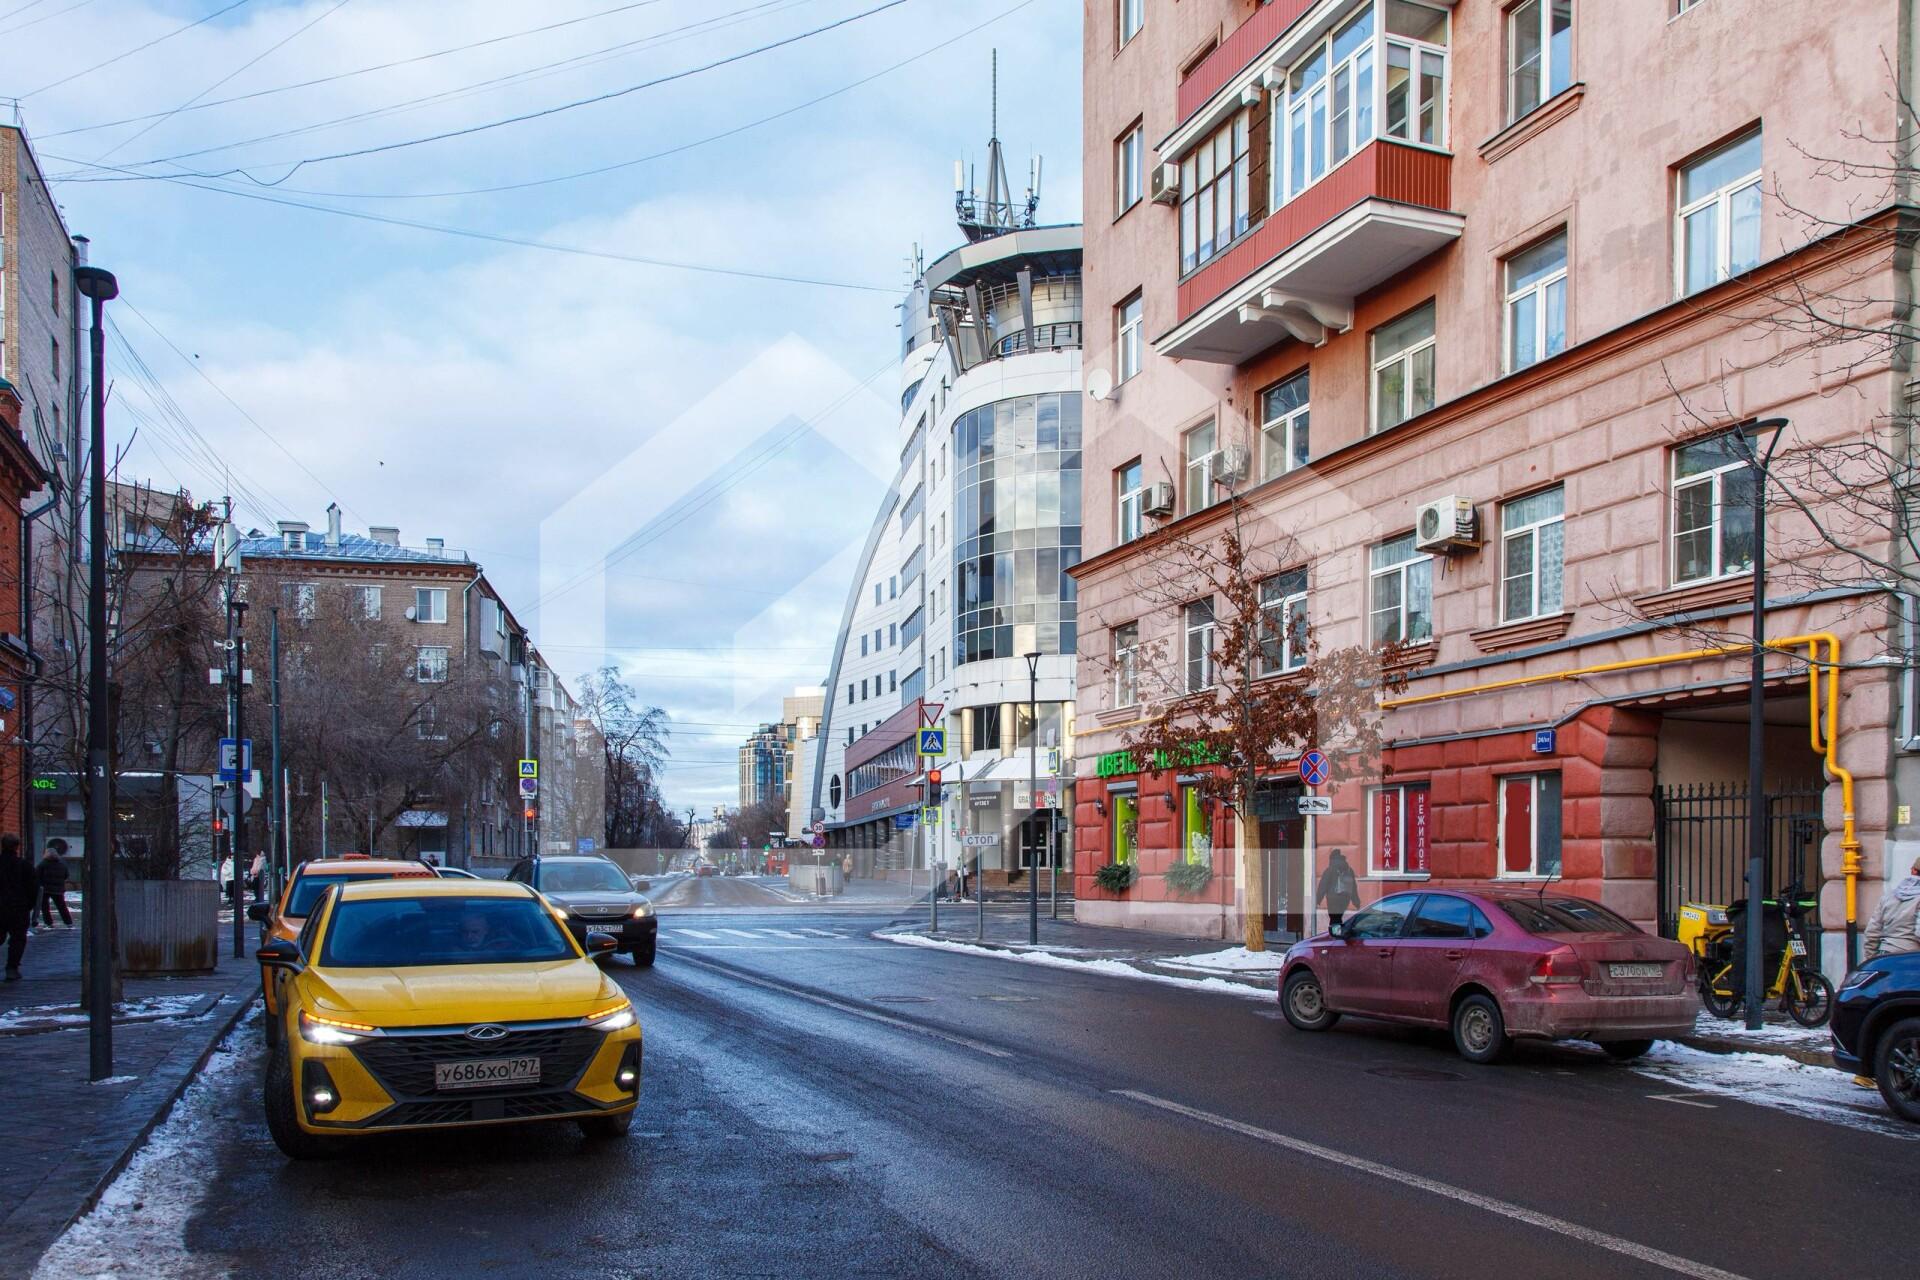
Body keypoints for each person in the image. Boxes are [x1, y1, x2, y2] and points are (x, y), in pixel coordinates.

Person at [1865, 854, 1920, 960]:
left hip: (1885, 956)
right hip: (1912, 959)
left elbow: (1872, 932)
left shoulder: (1889, 896)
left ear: (1913, 870)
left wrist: (1871, 960)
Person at [1, 834, 37, 980]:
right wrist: (29, 905)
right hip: (18, 908)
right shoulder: (24, 865)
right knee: (18, 939)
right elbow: (33, 888)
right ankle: (12, 968)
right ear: (17, 846)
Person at [1315, 848, 1361, 928]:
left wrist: (1317, 900)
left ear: (1332, 859)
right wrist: (1356, 902)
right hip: (1345, 898)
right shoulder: (1349, 870)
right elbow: (1353, 887)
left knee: (1334, 919)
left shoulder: (1329, 870)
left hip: (1333, 898)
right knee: (1338, 918)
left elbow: (1323, 885)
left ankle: (1335, 935)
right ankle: (1337, 933)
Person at [36, 839, 72, 928]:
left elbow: (36, 875)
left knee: (45, 907)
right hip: (58, 889)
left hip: (45, 889)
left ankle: (48, 923)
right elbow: (66, 875)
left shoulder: (43, 864)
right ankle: (68, 922)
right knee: (62, 906)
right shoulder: (62, 864)